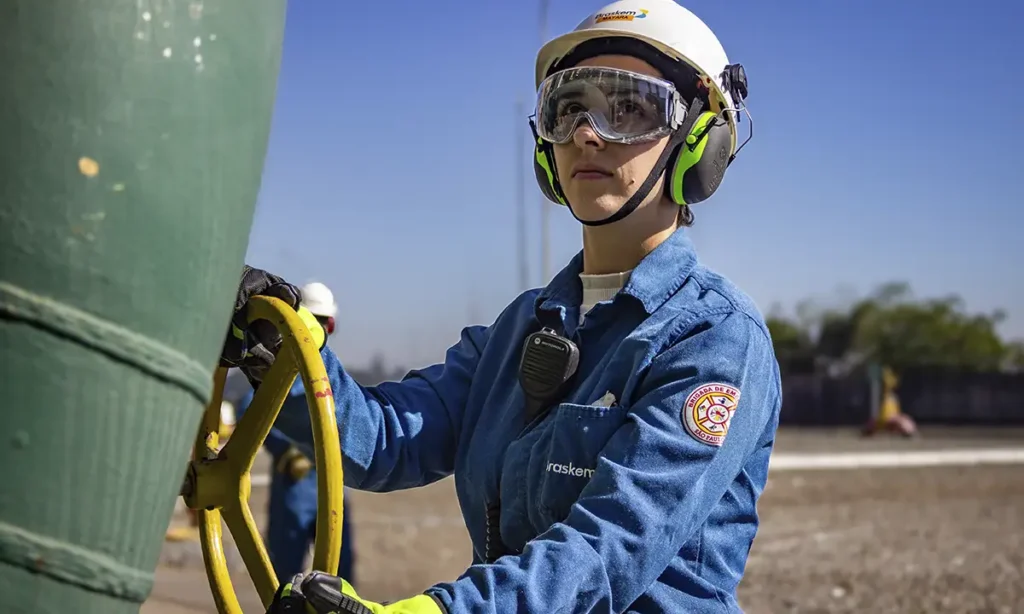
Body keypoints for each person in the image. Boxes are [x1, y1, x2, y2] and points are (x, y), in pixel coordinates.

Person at [225, 1, 781, 611]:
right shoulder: (521, 329)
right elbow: (382, 442)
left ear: (700, 142)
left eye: (629, 108)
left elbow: (605, 549)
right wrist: (284, 362)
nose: (588, 133)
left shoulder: (715, 340)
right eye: (569, 109)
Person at [233, 281, 357, 585]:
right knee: (295, 571)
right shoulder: (289, 371)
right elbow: (248, 407)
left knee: (333, 572)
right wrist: (285, 452)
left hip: (321, 483)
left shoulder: (326, 375)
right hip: (300, 483)